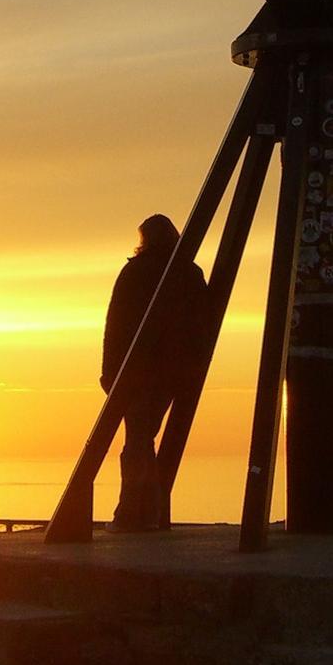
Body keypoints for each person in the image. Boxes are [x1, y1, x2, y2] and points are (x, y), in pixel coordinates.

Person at [100, 213, 208, 531]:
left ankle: (133, 513)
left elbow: (115, 325)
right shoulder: (189, 272)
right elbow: (201, 324)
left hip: (138, 374)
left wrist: (109, 374)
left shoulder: (135, 272)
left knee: (137, 442)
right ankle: (146, 511)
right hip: (175, 375)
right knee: (142, 439)